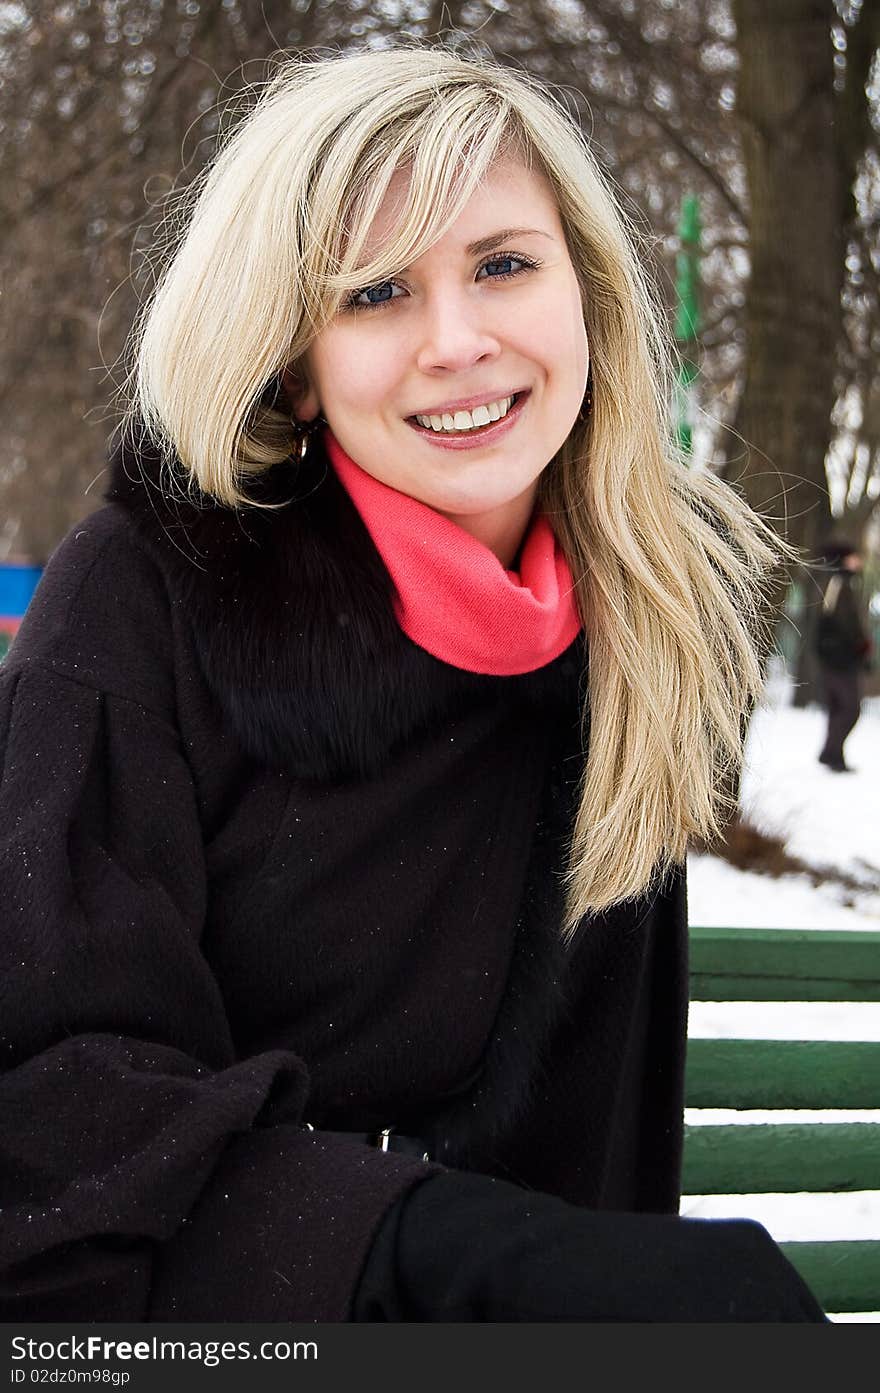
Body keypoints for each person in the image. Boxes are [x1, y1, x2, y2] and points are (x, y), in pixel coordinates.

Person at [0, 46, 826, 1323]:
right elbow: (57, 1111)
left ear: (588, 294)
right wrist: (458, 1253)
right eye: (376, 293)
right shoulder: (141, 595)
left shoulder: (642, 619)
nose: (459, 341)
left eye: (503, 264)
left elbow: (596, 1139)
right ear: (294, 364)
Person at [815, 540, 871, 773]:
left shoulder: (840, 583)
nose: (859, 561)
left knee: (840, 708)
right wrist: (858, 646)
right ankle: (830, 753)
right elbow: (840, 623)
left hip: (839, 657)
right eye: (854, 556)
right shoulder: (839, 583)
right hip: (841, 659)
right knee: (849, 708)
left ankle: (832, 755)